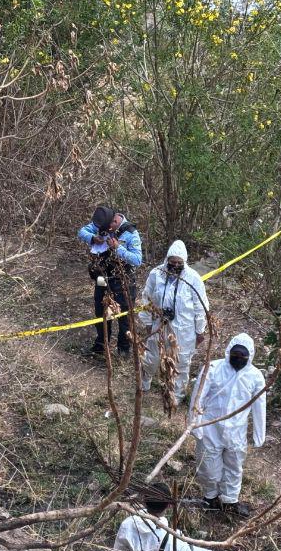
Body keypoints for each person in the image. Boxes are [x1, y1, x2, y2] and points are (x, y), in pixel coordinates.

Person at [188, 332, 267, 516]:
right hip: (210, 428)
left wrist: (258, 434)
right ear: (228, 351)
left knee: (234, 466)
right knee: (208, 465)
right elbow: (197, 397)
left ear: (250, 357)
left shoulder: (255, 377)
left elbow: (259, 406)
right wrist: (195, 424)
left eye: (242, 357)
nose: (238, 359)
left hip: (236, 432)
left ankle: (230, 501)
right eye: (235, 355)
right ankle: (210, 496)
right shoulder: (213, 368)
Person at [139, 240, 208, 405]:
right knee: (152, 357)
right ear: (167, 260)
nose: (175, 265)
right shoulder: (156, 274)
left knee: (182, 363)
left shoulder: (193, 278)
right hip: (159, 325)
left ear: (184, 262)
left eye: (179, 263)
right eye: (172, 262)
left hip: (184, 330)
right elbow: (146, 298)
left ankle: (176, 395)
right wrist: (148, 322)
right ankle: (143, 381)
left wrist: (200, 331)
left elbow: (201, 307)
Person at [78, 204, 143, 356]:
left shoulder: (131, 234)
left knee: (124, 315)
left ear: (114, 221)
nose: (106, 232)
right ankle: (101, 346)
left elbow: (138, 260)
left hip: (123, 280)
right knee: (100, 309)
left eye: (108, 230)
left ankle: (123, 350)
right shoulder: (103, 222)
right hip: (102, 277)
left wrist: (118, 249)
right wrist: (94, 238)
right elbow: (82, 232)